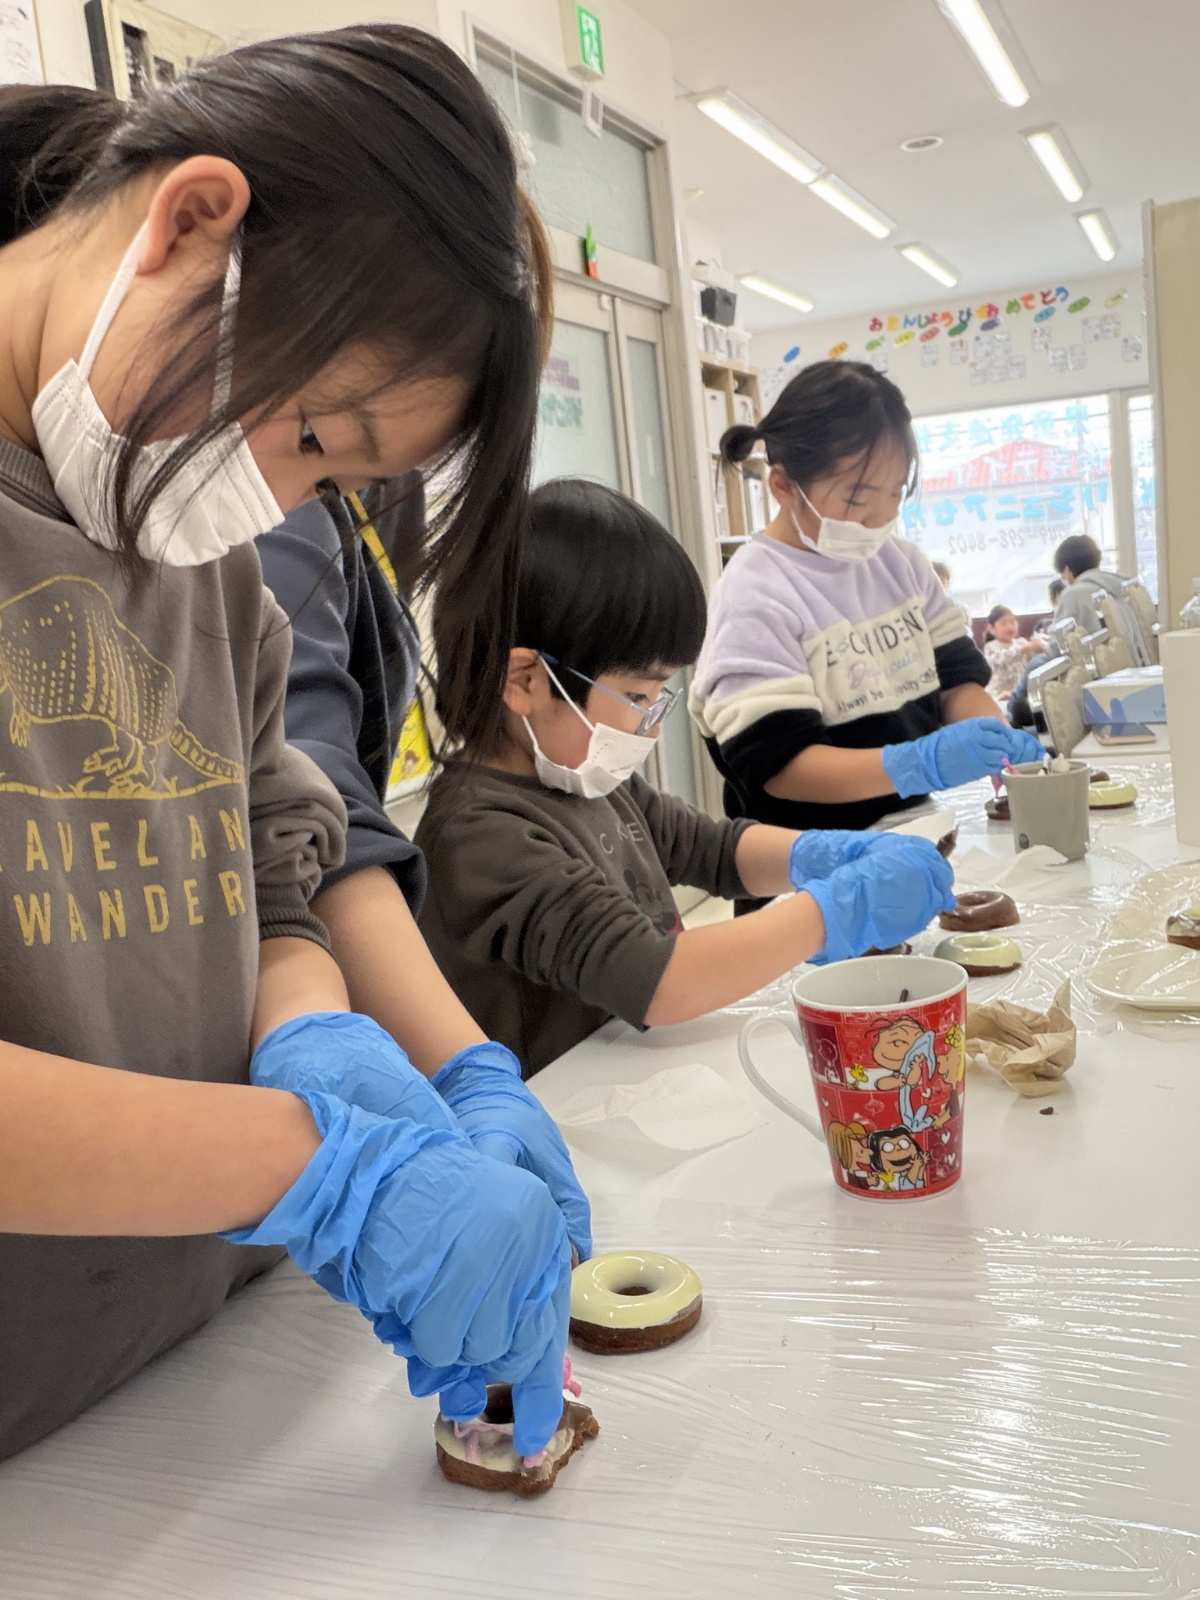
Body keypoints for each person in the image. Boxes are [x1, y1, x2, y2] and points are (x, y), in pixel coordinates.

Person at [0, 29, 577, 1467]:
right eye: (315, 436)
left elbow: (271, 878)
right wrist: (321, 1165)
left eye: (336, 481)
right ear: (191, 223)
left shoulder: (205, 568)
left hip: (203, 1381)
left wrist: (328, 1040)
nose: (278, 505)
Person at [415, 479, 955, 1074]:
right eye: (636, 695)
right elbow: (656, 979)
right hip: (560, 1104)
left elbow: (711, 849)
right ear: (525, 681)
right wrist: (833, 911)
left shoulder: (585, 778)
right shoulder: (478, 834)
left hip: (634, 1073)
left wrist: (828, 854)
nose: (649, 725)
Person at [689, 362, 1040, 851]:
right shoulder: (755, 593)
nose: (881, 517)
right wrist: (917, 762)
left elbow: (956, 682)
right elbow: (782, 767)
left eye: (895, 492)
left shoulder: (901, 564)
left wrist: (993, 737)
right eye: (857, 497)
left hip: (916, 830)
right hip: (810, 861)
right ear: (784, 487)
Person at [1053, 534, 1149, 661]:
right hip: (1138, 661)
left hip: (1102, 663)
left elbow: (1057, 646)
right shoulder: (1124, 584)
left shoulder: (1073, 594)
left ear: (1067, 569)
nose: (1064, 580)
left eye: (1062, 575)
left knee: (1037, 663)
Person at [982, 605, 1048, 701]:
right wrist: (1023, 649)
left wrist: (1038, 650)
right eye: (1004, 623)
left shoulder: (1021, 642)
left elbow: (1032, 663)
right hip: (998, 695)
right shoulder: (990, 647)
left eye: (1012, 622)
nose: (1010, 626)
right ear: (992, 628)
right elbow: (1001, 659)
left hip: (1018, 694)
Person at [932, 558, 973, 631]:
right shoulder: (919, 611)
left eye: (942, 580)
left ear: (948, 583)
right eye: (934, 580)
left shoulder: (961, 609)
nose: (939, 585)